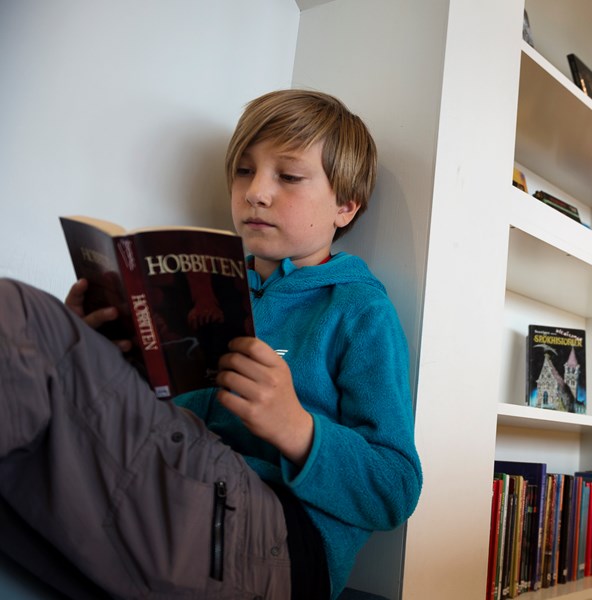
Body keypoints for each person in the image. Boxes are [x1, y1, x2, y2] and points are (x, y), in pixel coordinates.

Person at [0, 89, 423, 599]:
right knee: (37, 334)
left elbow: (396, 486)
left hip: (279, 537)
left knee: (17, 313)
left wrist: (298, 430)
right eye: (244, 171)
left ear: (345, 206)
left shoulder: (357, 310)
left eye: (287, 176)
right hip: (178, 475)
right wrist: (93, 350)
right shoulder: (203, 286)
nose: (255, 193)